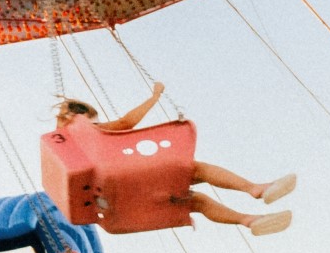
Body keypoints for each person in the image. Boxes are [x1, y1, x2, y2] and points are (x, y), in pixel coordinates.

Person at [55, 83, 295, 235]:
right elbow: (125, 124)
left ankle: (250, 220)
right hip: (120, 180)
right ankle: (256, 189)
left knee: (195, 201)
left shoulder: (60, 147)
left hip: (116, 206)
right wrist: (155, 96)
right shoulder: (78, 127)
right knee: (192, 170)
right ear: (80, 115)